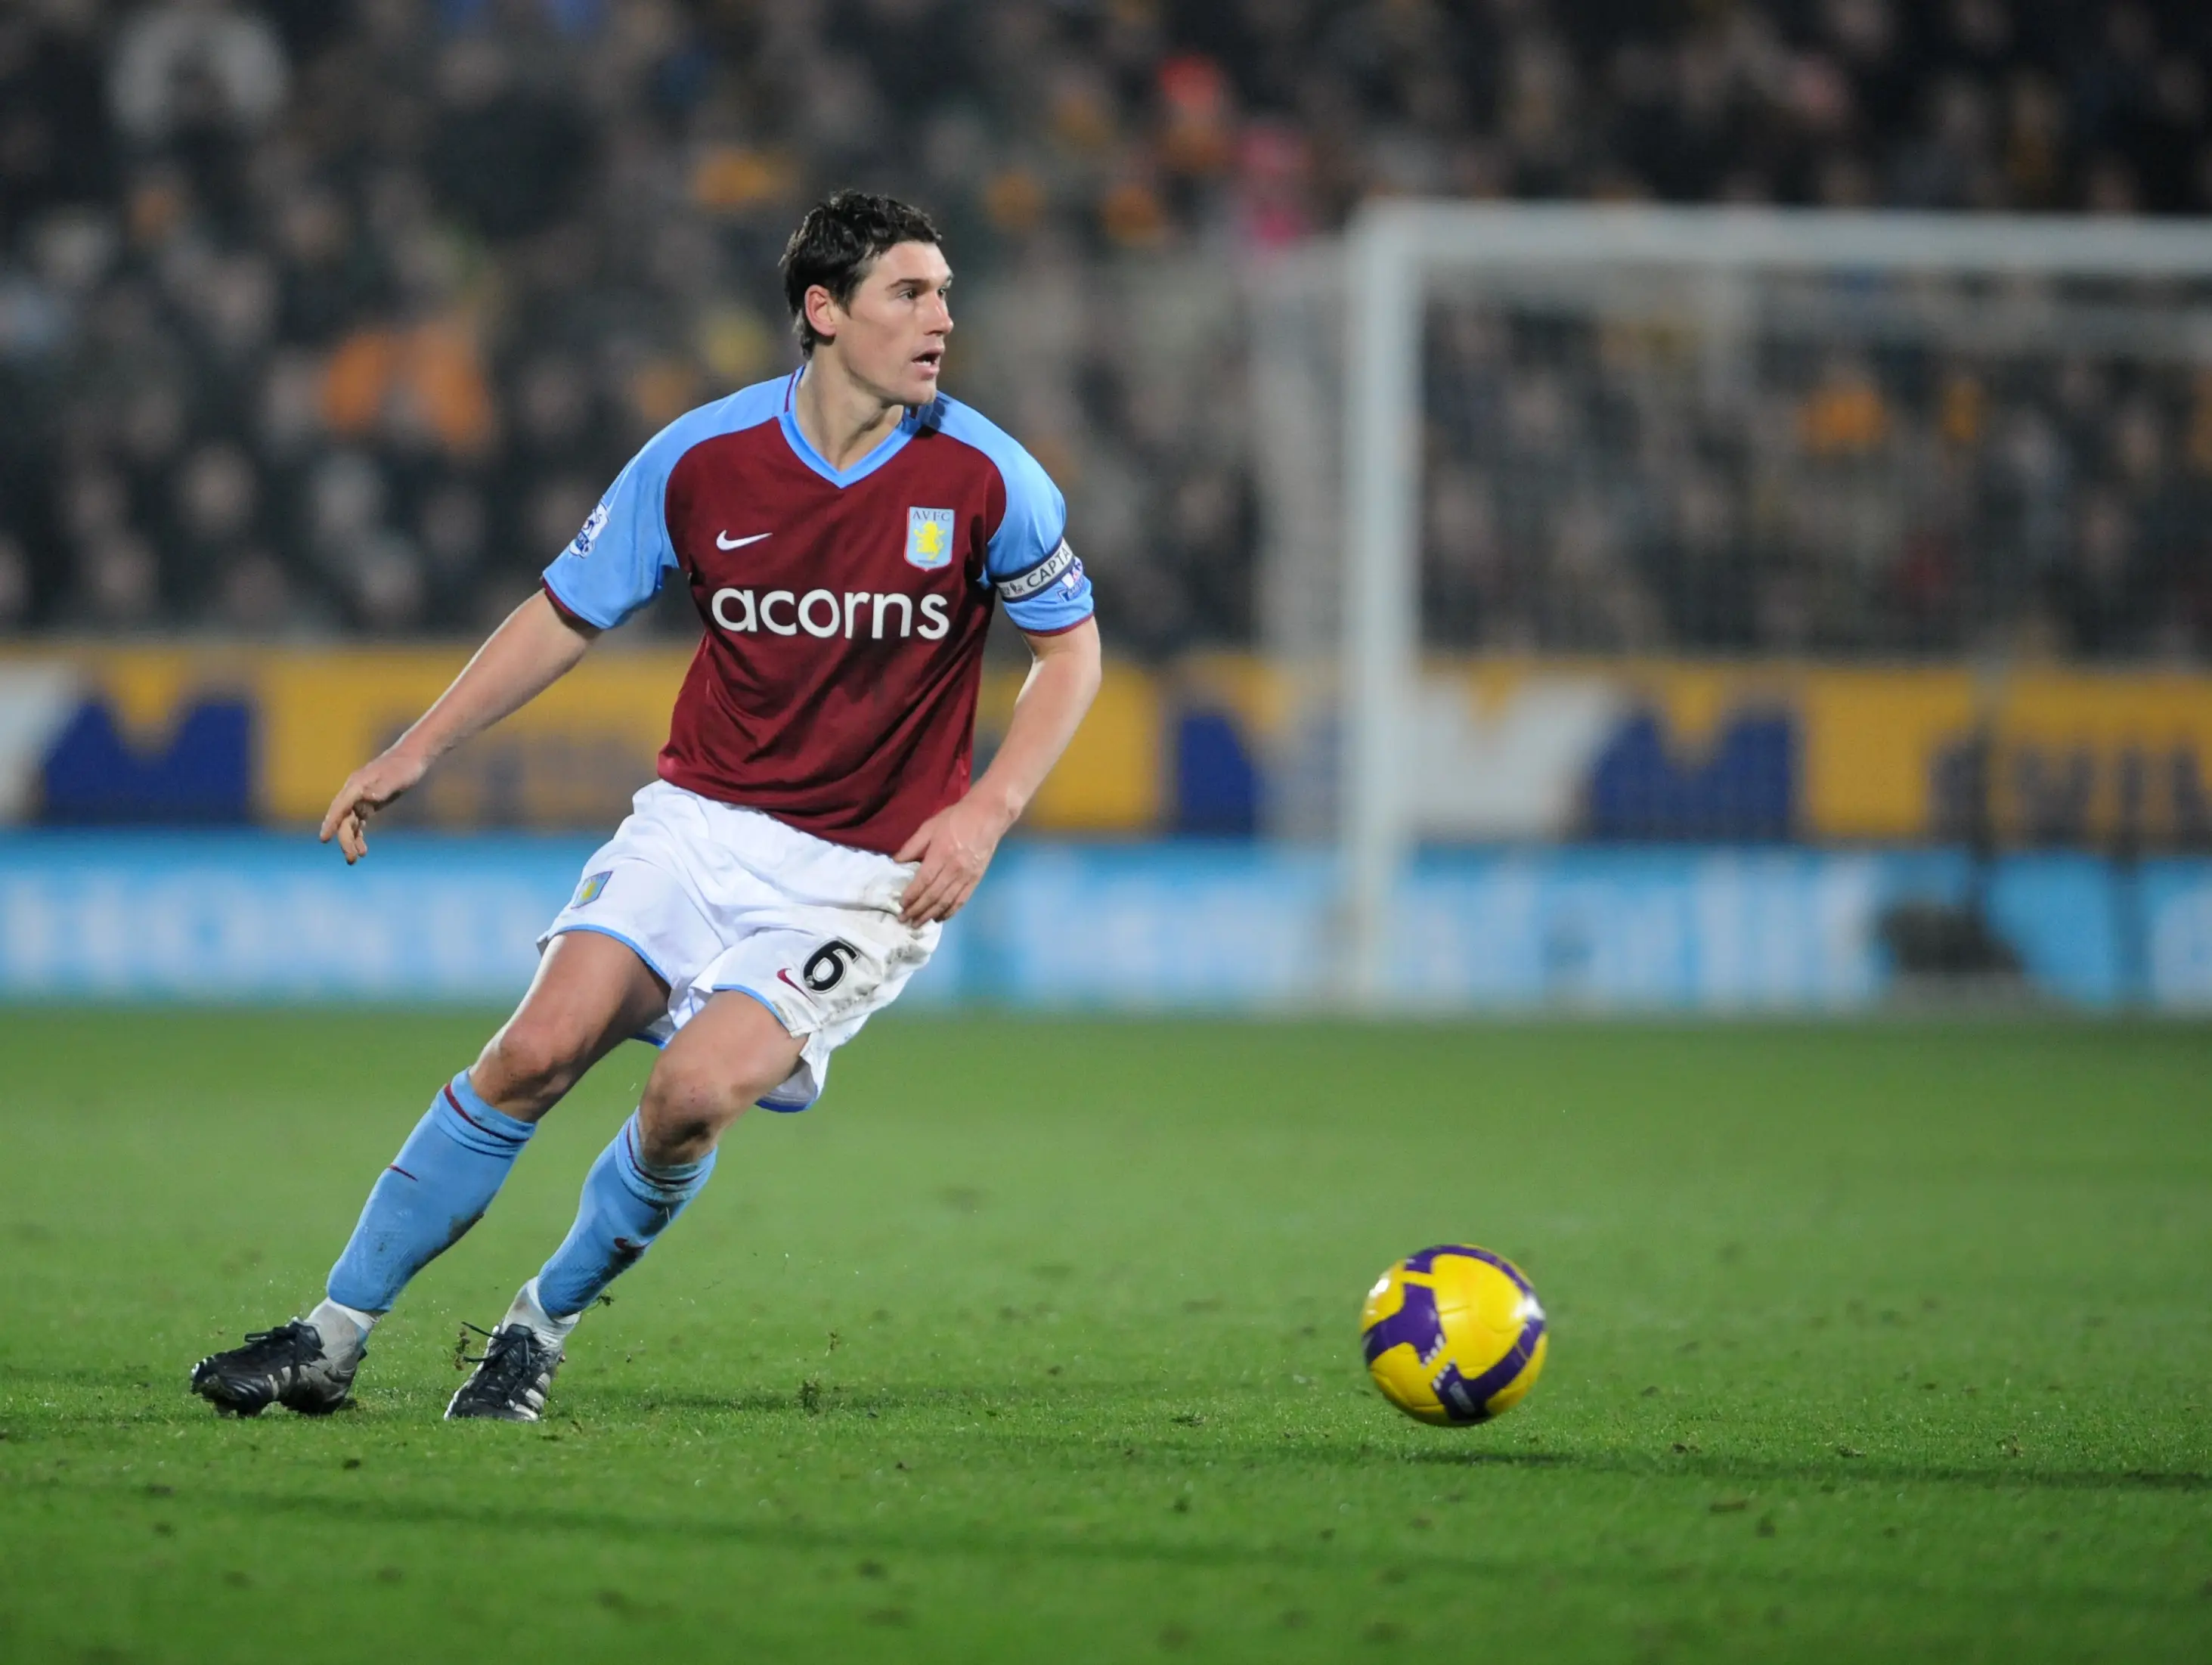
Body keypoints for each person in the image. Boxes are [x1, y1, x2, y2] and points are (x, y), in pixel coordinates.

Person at [188, 191, 1101, 1422]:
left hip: (864, 875)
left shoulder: (990, 477)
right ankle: (329, 1335)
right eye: (910, 292)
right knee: (532, 1051)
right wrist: (418, 747)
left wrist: (987, 810)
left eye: (944, 293)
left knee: (687, 1097)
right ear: (823, 312)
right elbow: (568, 609)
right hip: (700, 823)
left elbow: (1071, 653)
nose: (942, 317)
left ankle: (536, 1327)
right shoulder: (701, 457)